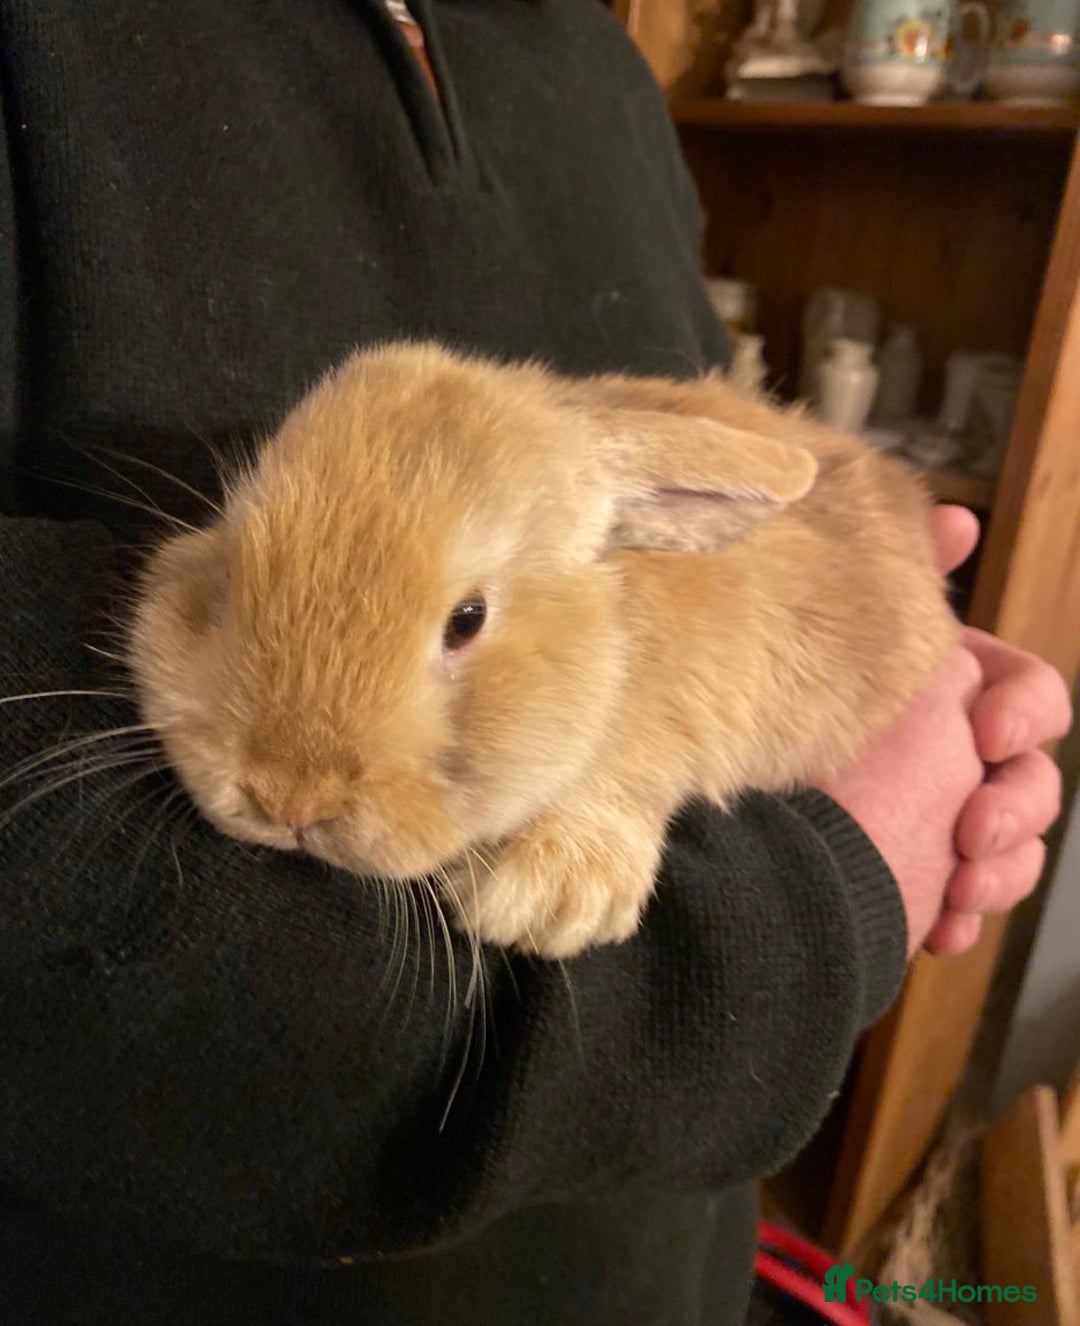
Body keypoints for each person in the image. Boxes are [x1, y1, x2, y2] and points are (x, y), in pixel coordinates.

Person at [0, 2, 1069, 1322]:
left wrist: (936, 702)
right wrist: (829, 898)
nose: (289, 786)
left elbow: (713, 513)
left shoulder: (602, 70)